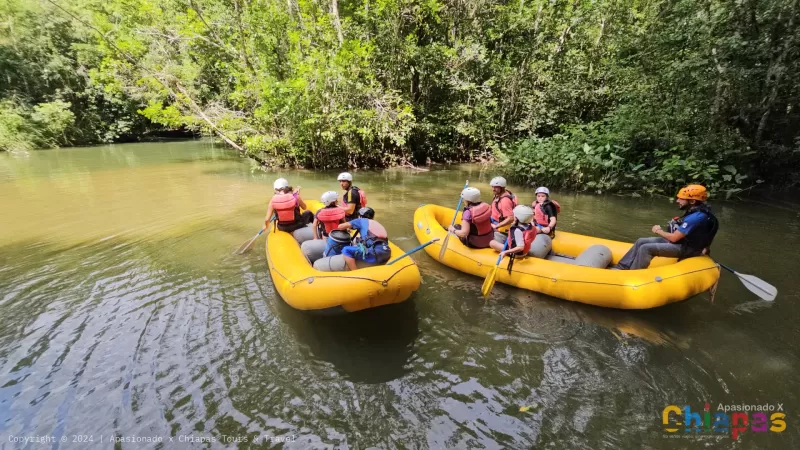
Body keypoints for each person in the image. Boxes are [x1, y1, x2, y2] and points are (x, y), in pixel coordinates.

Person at [613, 184, 719, 270]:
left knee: (646, 248)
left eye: (681, 199)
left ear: (692, 201)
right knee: (641, 241)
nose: (677, 201)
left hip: (687, 248)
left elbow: (674, 238)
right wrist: (706, 248)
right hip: (684, 243)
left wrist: (658, 231)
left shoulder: (696, 217)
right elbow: (707, 232)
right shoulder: (703, 212)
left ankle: (633, 274)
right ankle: (621, 267)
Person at [336, 207, 391, 271]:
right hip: (386, 253)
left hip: (375, 253)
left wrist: (344, 220)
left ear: (360, 216)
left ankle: (355, 272)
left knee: (346, 250)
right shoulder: (376, 223)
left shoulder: (360, 220)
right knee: (359, 243)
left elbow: (340, 227)